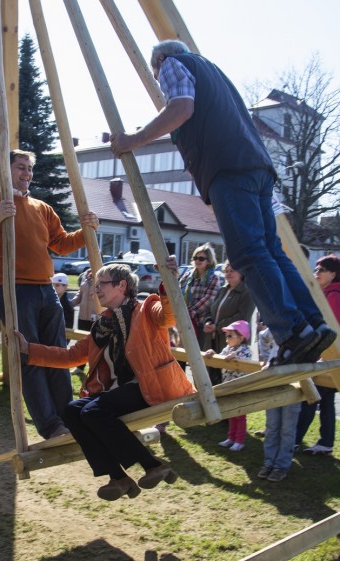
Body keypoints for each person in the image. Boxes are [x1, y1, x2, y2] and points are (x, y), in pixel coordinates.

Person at [110, 39, 335, 366]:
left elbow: (181, 108)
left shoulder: (174, 63)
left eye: (157, 77)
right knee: (270, 249)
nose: (162, 83)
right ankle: (313, 325)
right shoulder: (215, 74)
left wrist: (132, 140)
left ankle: (293, 331)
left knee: (248, 253)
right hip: (256, 168)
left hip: (230, 169)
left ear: (160, 62)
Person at [14, 260, 196, 501]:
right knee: (70, 411)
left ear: (121, 286)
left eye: (102, 284)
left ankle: (152, 464)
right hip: (122, 392)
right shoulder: (103, 325)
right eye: (94, 284)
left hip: (151, 388)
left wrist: (169, 282)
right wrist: (29, 349)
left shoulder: (147, 309)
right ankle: (118, 477)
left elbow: (169, 316)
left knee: (92, 412)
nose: (95, 289)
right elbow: (70, 356)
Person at [0, 149, 99, 439]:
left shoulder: (42, 207)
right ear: (5, 170)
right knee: (29, 356)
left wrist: (85, 230)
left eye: (29, 168)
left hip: (45, 289)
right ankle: (51, 427)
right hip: (12, 289)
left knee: (57, 355)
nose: (27, 173)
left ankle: (69, 419)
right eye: (20, 167)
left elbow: (61, 244)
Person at [295, 254, 340, 455]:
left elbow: (330, 329)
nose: (317, 273)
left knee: (311, 396)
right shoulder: (324, 293)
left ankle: (297, 439)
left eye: (322, 269)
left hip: (328, 356)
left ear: (333, 274)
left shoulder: (334, 295)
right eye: (316, 269)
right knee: (323, 398)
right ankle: (325, 442)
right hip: (323, 355)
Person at [203, 261, 255, 384]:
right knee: (210, 375)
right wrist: (208, 321)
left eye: (232, 271)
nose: (228, 273)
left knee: (228, 377)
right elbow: (210, 309)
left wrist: (218, 326)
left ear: (241, 272)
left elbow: (242, 316)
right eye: (226, 271)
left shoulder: (247, 292)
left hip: (234, 341)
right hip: (213, 339)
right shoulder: (222, 290)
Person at [205, 320, 252, 451]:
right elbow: (220, 358)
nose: (227, 338)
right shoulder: (228, 349)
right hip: (228, 386)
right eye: (227, 335)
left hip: (239, 388)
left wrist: (235, 357)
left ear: (241, 338)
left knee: (240, 414)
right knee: (231, 412)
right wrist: (212, 353)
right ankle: (231, 438)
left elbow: (246, 361)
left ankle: (240, 440)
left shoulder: (245, 350)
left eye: (230, 335)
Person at [177, 243, 221, 369]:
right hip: (185, 322)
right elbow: (178, 293)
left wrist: (189, 312)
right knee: (180, 356)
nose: (197, 261)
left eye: (201, 258)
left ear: (209, 261)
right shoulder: (187, 276)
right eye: (195, 258)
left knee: (199, 361)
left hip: (201, 323)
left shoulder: (214, 278)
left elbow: (209, 299)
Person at [70, 268, 97, 378]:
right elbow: (80, 293)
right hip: (82, 316)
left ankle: (94, 370)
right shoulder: (85, 275)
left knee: (94, 344)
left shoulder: (102, 274)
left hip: (95, 317)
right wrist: (69, 304)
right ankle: (80, 368)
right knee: (81, 343)